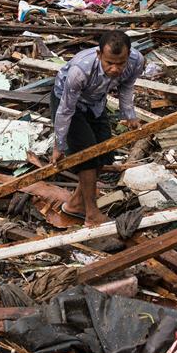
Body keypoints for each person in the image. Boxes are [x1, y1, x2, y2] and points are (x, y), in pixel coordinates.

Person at [50, 31, 144, 225]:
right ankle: (92, 215)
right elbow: (65, 110)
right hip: (67, 103)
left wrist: (129, 115)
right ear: (99, 55)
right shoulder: (81, 70)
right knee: (87, 156)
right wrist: (59, 144)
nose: (115, 69)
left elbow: (126, 86)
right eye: (109, 63)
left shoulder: (136, 61)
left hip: (95, 101)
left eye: (120, 63)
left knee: (104, 152)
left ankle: (76, 204)